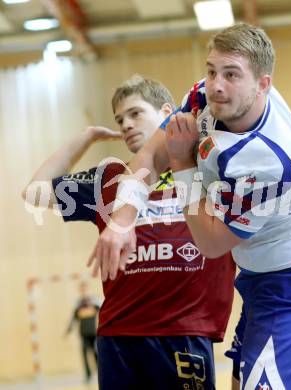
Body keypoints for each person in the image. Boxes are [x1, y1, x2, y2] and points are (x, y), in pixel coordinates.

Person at [88, 25, 291, 390]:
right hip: (256, 281)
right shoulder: (213, 94)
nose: (215, 84)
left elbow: (211, 243)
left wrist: (183, 164)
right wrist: (123, 220)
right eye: (211, 71)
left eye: (231, 75)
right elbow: (149, 156)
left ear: (263, 84)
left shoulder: (271, 163)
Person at [22, 75, 236, 390]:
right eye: (120, 119)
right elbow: (35, 193)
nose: (125, 124)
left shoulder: (206, 169)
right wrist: (86, 137)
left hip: (184, 333)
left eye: (136, 113)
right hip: (118, 337)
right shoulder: (109, 178)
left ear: (167, 113)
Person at [65, 282, 100, 383]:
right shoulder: (78, 304)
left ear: (88, 289)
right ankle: (88, 376)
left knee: (96, 354)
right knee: (84, 354)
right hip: (83, 333)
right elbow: (74, 318)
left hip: (94, 333)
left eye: (85, 288)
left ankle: (100, 373)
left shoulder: (94, 302)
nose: (83, 291)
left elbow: (103, 312)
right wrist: (68, 329)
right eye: (82, 289)